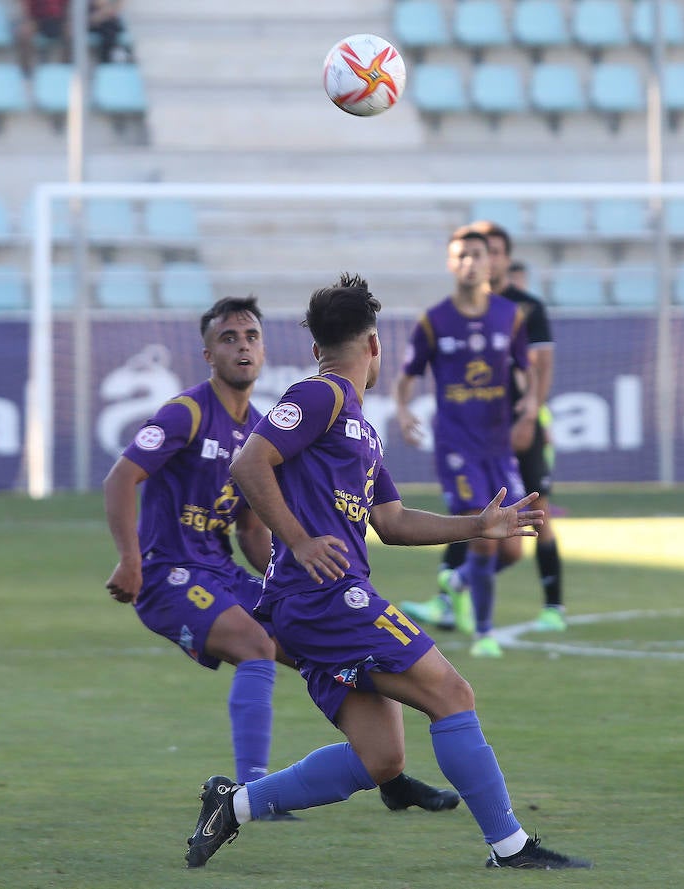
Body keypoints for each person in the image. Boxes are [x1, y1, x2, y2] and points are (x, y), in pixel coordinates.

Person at [188, 273, 590, 871]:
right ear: (373, 346)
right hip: (324, 597)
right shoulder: (318, 396)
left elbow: (395, 522)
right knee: (452, 693)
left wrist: (478, 526)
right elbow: (250, 464)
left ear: (316, 342)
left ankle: (237, 804)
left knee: (381, 758)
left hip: (317, 604)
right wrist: (296, 540)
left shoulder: (362, 430)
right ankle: (510, 846)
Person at [103, 296, 458, 819]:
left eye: (251, 337)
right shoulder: (189, 412)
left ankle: (387, 769)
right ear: (208, 354)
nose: (242, 347)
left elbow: (251, 527)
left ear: (264, 350)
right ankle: (250, 789)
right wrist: (130, 559)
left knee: (325, 648)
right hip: (166, 575)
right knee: (254, 643)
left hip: (221, 572)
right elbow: (121, 478)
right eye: (228, 338)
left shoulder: (264, 426)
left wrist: (292, 584)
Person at [402, 221, 567, 635]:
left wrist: (530, 407)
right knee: (480, 528)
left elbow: (528, 369)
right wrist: (403, 410)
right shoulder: (435, 319)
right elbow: (408, 373)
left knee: (512, 545)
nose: (476, 263)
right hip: (458, 443)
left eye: (483, 254)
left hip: (501, 442)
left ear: (497, 260)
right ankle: (484, 633)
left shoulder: (513, 314)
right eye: (466, 255)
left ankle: (456, 584)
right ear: (451, 263)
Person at [16, 0, 127, 78]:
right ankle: (26, 73)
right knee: (23, 32)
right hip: (38, 20)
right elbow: (27, 7)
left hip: (60, 20)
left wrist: (69, 20)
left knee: (71, 32)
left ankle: (66, 67)